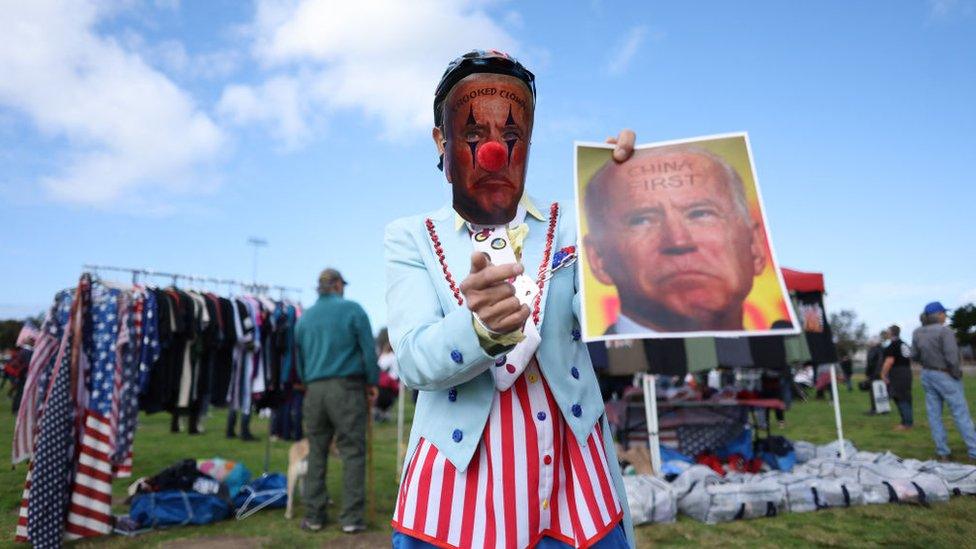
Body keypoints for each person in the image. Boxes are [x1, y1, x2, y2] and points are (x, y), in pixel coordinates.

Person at [386, 50, 635, 548]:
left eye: (513, 136)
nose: (494, 152)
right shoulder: (411, 236)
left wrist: (626, 203)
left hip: (574, 488)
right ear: (442, 140)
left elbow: (613, 319)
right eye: (474, 136)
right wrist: (476, 330)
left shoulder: (573, 222)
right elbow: (413, 361)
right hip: (456, 493)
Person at [582, 146, 770, 335]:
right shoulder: (584, 361)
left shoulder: (788, 351)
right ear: (599, 259)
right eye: (642, 220)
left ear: (755, 246)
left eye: (701, 214)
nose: (679, 241)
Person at [294, 268, 378, 533]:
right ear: (339, 285)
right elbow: (367, 349)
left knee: (316, 450)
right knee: (352, 450)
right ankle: (351, 518)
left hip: (314, 390)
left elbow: (298, 360)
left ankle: (314, 515)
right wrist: (372, 382)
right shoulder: (353, 310)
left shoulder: (304, 318)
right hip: (346, 387)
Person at [913, 301, 976, 461]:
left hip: (927, 374)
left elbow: (914, 355)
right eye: (944, 313)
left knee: (934, 415)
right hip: (946, 374)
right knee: (960, 413)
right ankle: (974, 451)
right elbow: (952, 357)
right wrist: (955, 374)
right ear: (939, 314)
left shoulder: (917, 332)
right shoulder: (945, 332)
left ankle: (943, 452)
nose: (946, 316)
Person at [880, 325, 913, 431]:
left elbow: (889, 361)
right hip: (907, 371)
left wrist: (883, 374)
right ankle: (908, 420)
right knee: (906, 397)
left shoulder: (893, 345)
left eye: (888, 331)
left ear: (891, 333)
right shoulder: (904, 344)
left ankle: (906, 423)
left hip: (897, 373)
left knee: (900, 397)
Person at [373, 328, 400, 422]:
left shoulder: (389, 357)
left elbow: (381, 367)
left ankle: (382, 414)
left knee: (383, 399)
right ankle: (383, 414)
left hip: (388, 382)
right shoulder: (388, 356)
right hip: (388, 382)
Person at [863, 332, 887, 414]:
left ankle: (874, 409)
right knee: (882, 391)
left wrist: (868, 373)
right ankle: (884, 408)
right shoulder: (883, 349)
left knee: (873, 391)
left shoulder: (873, 351)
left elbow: (870, 363)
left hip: (874, 374)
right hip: (882, 373)